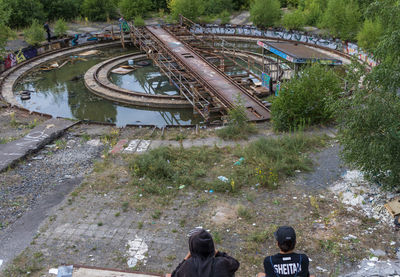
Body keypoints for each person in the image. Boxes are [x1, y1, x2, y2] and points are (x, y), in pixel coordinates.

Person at [167, 228, 239, 277]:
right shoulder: (222, 263)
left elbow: (174, 275)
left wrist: (186, 257)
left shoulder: (188, 266)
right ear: (211, 246)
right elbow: (235, 263)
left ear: (192, 248)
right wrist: (217, 253)